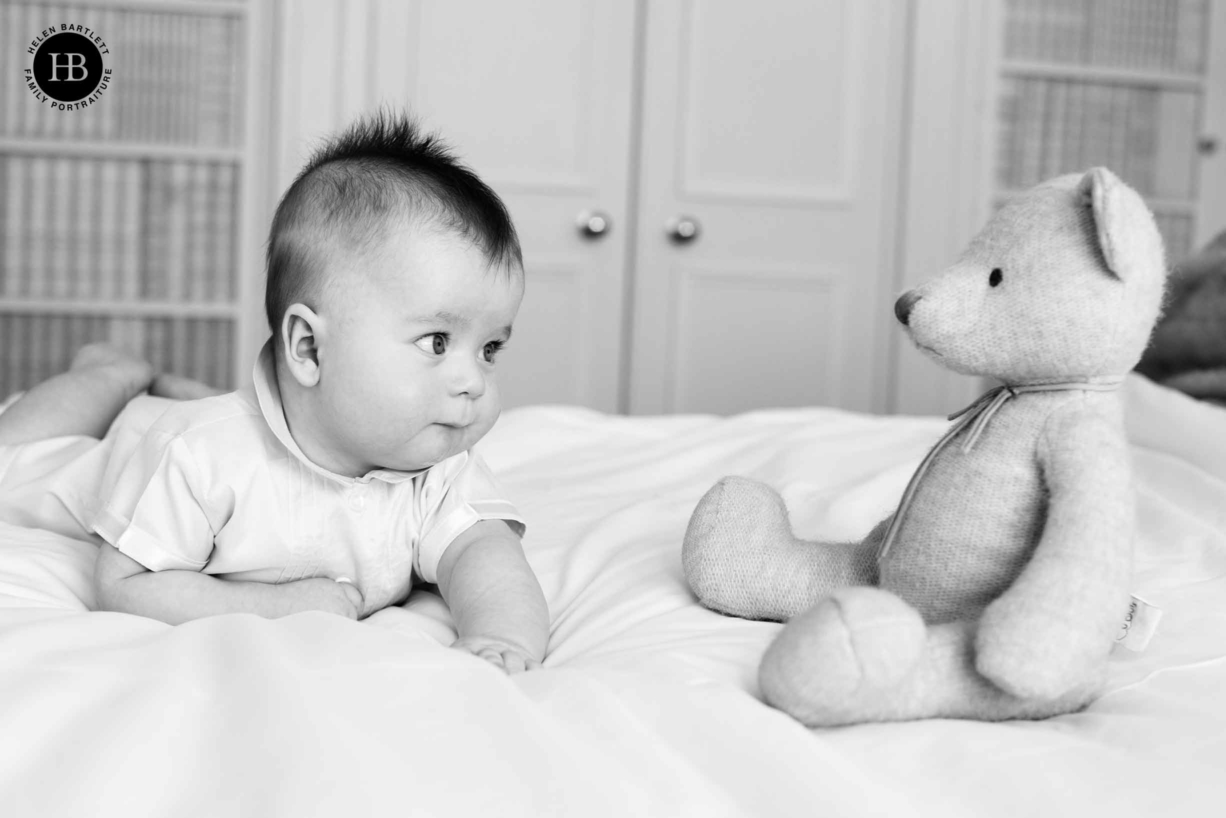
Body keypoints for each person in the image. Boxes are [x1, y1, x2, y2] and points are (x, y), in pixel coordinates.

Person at [33, 112, 545, 673]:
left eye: (490, 349)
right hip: (108, 451)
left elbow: (487, 557)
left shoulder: (439, 467)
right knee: (26, 445)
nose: (473, 381)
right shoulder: (198, 455)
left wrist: (502, 638)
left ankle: (175, 388)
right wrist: (277, 607)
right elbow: (126, 584)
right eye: (438, 341)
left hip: (214, 417)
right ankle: (111, 372)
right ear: (309, 349)